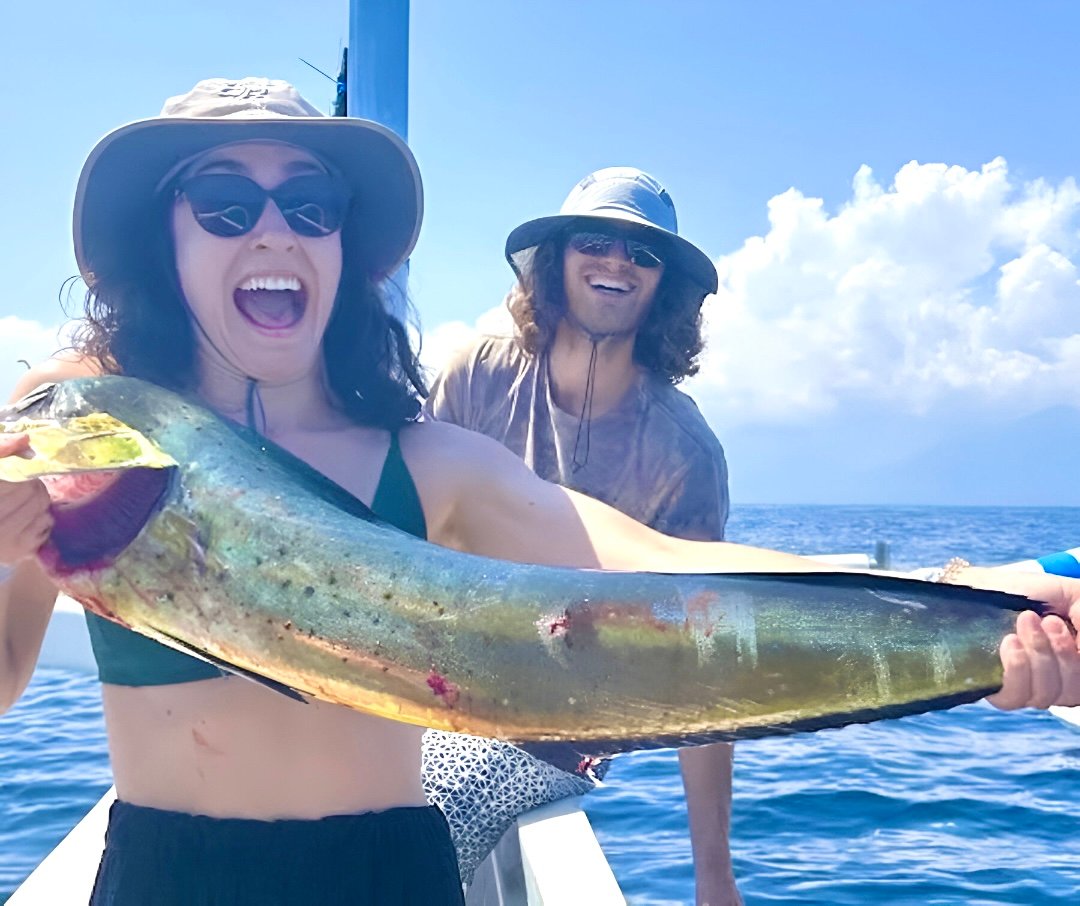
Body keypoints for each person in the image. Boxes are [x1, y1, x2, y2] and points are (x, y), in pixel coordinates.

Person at [0, 78, 1077, 906]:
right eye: (227, 204)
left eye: (310, 204)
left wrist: (977, 596)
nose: (274, 231)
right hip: (159, 873)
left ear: (342, 246)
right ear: (168, 237)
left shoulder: (424, 459)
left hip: (388, 869)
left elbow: (658, 566)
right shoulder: (73, 429)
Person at [422, 167, 740, 904]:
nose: (617, 263)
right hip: (414, 683)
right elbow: (406, 532)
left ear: (667, 285)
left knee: (414, 821)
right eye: (596, 241)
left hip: (550, 729)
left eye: (643, 253)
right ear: (557, 262)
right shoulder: (474, 376)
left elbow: (703, 662)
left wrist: (714, 873)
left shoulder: (685, 452)